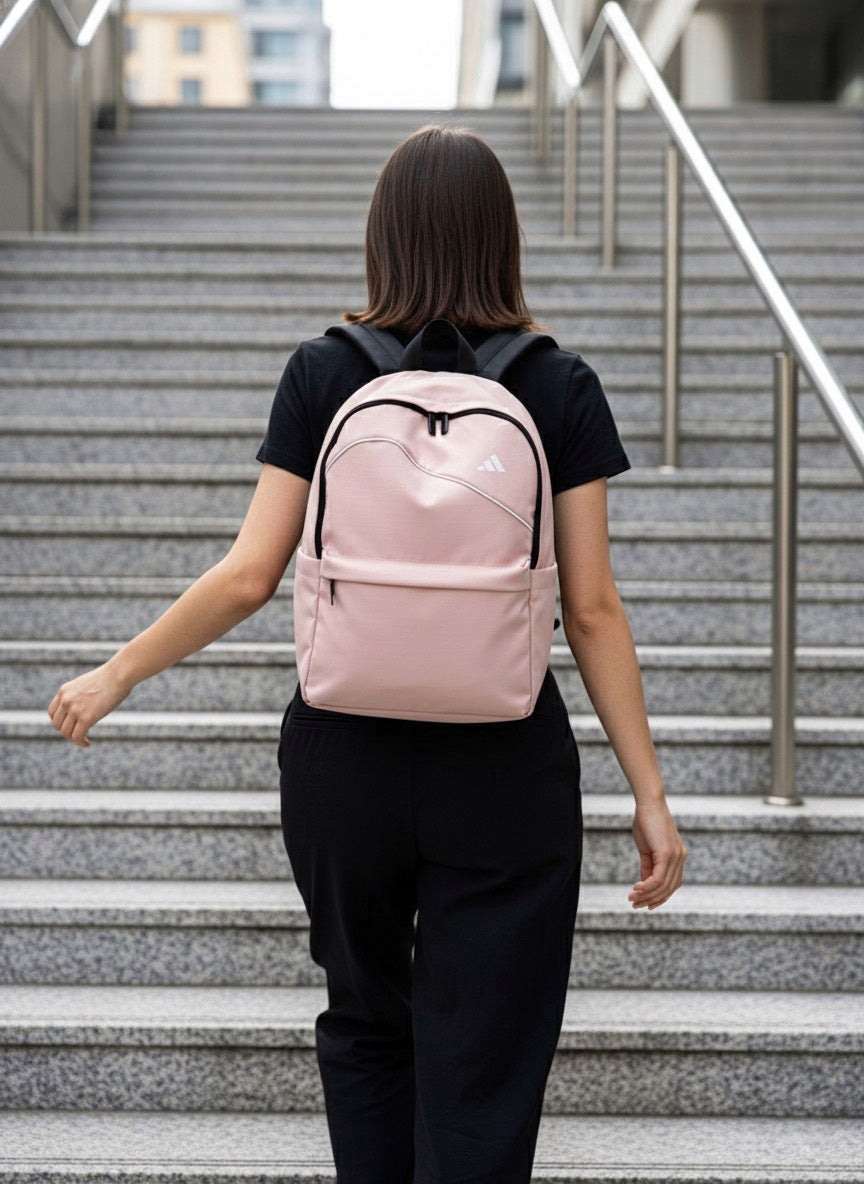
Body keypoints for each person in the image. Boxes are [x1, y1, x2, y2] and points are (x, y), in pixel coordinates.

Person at [47, 123, 688, 1183]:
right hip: (505, 759)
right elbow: (594, 607)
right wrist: (650, 791)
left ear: (381, 238)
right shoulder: (559, 383)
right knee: (486, 1049)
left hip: (344, 755)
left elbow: (252, 574)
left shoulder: (325, 372)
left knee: (364, 1016)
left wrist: (120, 671)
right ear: (503, 238)